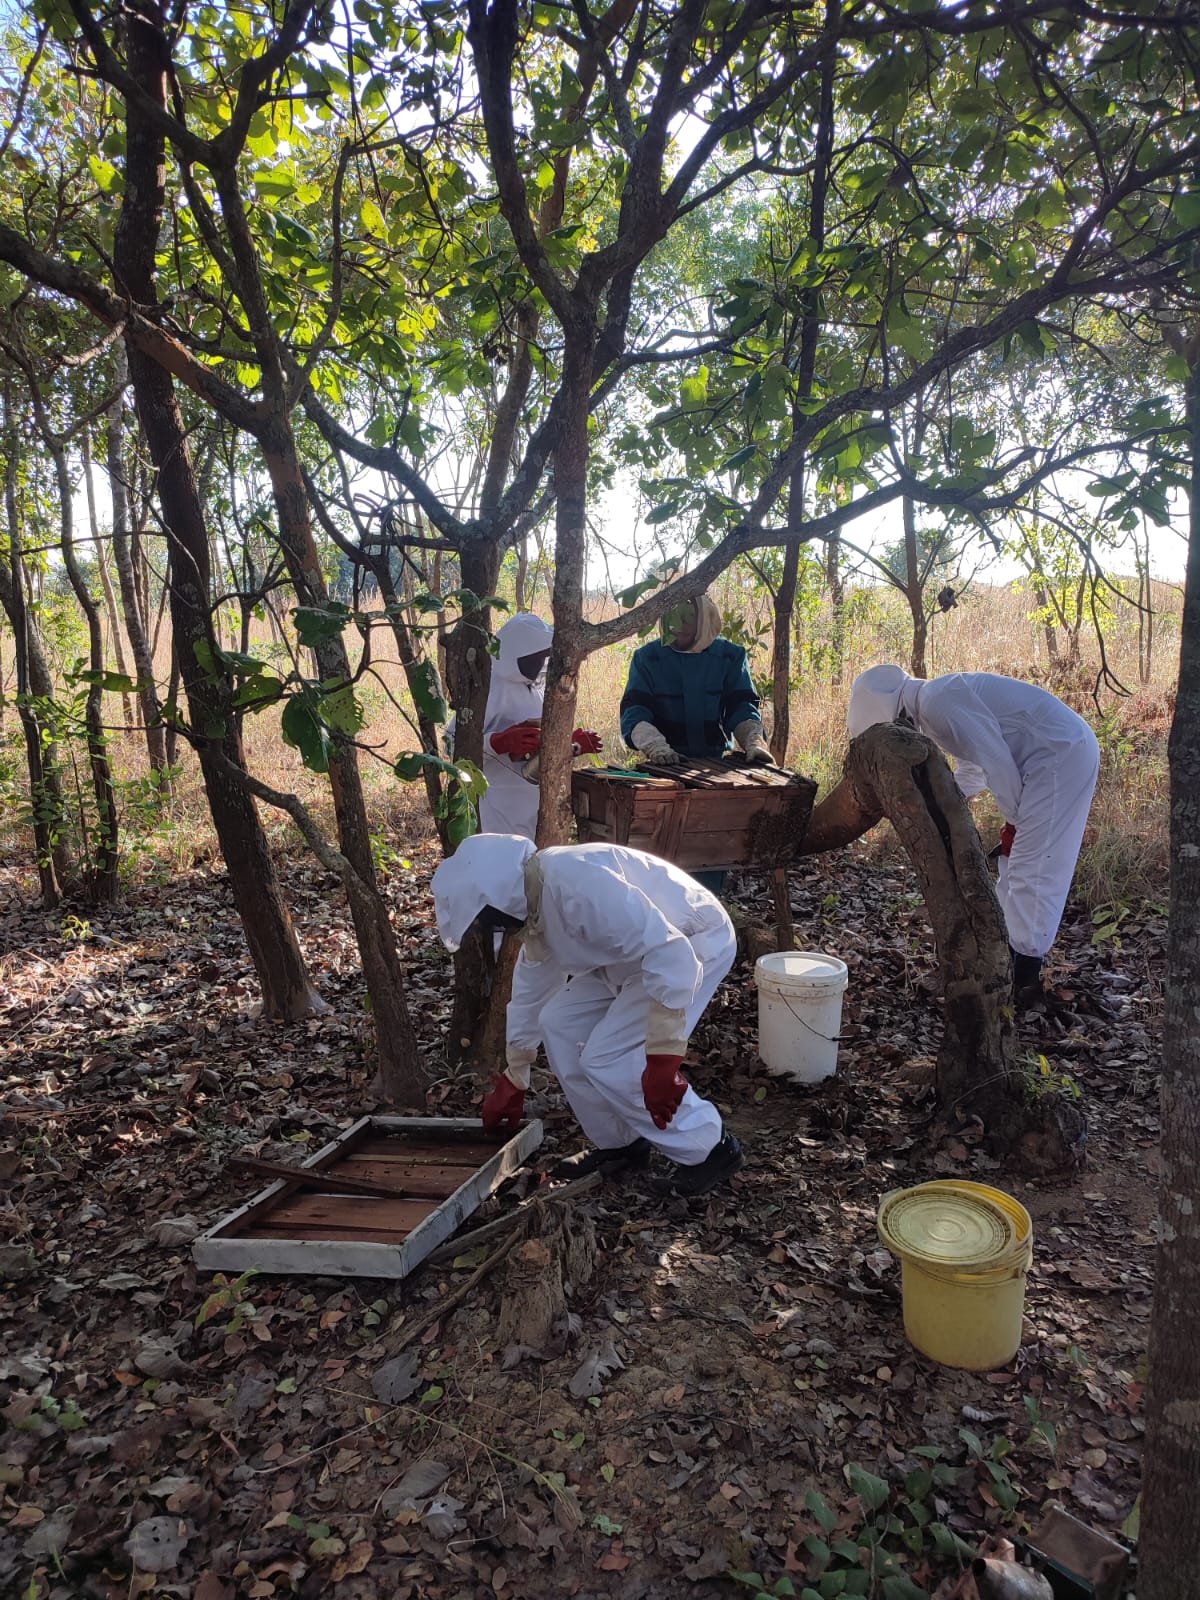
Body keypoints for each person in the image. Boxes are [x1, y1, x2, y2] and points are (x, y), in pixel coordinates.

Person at [430, 832, 745, 1196]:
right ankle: (622, 1144)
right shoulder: (538, 901)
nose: (498, 928)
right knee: (559, 1023)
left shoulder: (576, 885)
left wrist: (663, 1058)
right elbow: (532, 990)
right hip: (632, 960)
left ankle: (710, 1148)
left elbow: (671, 954)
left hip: (693, 944)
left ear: (500, 897)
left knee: (608, 1057)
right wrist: (516, 1075)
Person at [846, 665, 1100, 1002]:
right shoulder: (936, 706)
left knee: (1036, 867)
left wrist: (1014, 820)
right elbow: (973, 770)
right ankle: (1005, 960)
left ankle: (1022, 976)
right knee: (1018, 864)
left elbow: (996, 763)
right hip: (1051, 754)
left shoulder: (938, 702)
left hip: (1059, 754)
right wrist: (938, 804)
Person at [471, 612, 601, 839]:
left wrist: (573, 744)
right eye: (534, 658)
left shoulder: (540, 689)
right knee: (504, 858)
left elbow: (543, 743)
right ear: (515, 653)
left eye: (544, 657)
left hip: (538, 802)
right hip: (497, 803)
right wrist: (498, 742)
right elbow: (453, 745)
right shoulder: (488, 687)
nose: (540, 664)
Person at [619, 593, 773, 768]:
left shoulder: (730, 656)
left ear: (705, 618)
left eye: (689, 617)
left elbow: (741, 707)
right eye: (675, 616)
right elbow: (635, 711)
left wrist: (754, 740)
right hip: (666, 764)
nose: (681, 626)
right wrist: (654, 746)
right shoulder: (647, 658)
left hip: (717, 764)